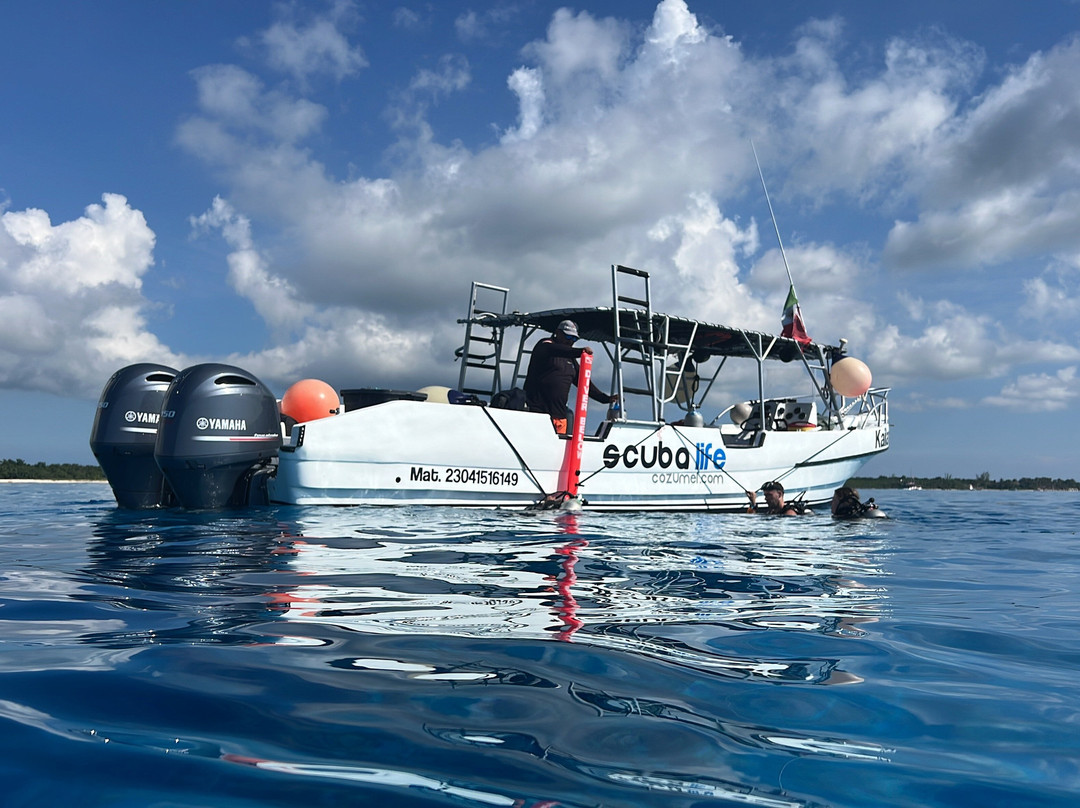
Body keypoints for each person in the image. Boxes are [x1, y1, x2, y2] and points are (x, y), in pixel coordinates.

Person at [524, 319, 618, 434]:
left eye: (574, 339)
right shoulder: (544, 346)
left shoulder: (570, 360)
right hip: (538, 414)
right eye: (568, 337)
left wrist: (605, 399)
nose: (571, 341)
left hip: (559, 418)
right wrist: (580, 351)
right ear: (558, 333)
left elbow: (584, 383)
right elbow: (556, 349)